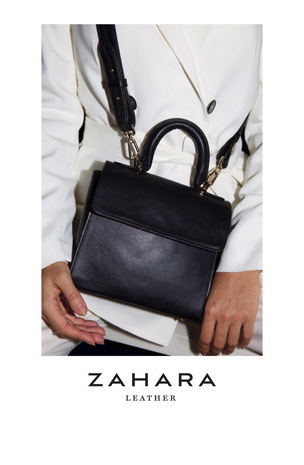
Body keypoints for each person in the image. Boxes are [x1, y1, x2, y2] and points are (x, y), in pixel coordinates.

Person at [41, 24, 262, 356]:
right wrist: (45, 252)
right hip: (92, 229)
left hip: (226, 234)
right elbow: (48, 115)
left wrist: (245, 261)